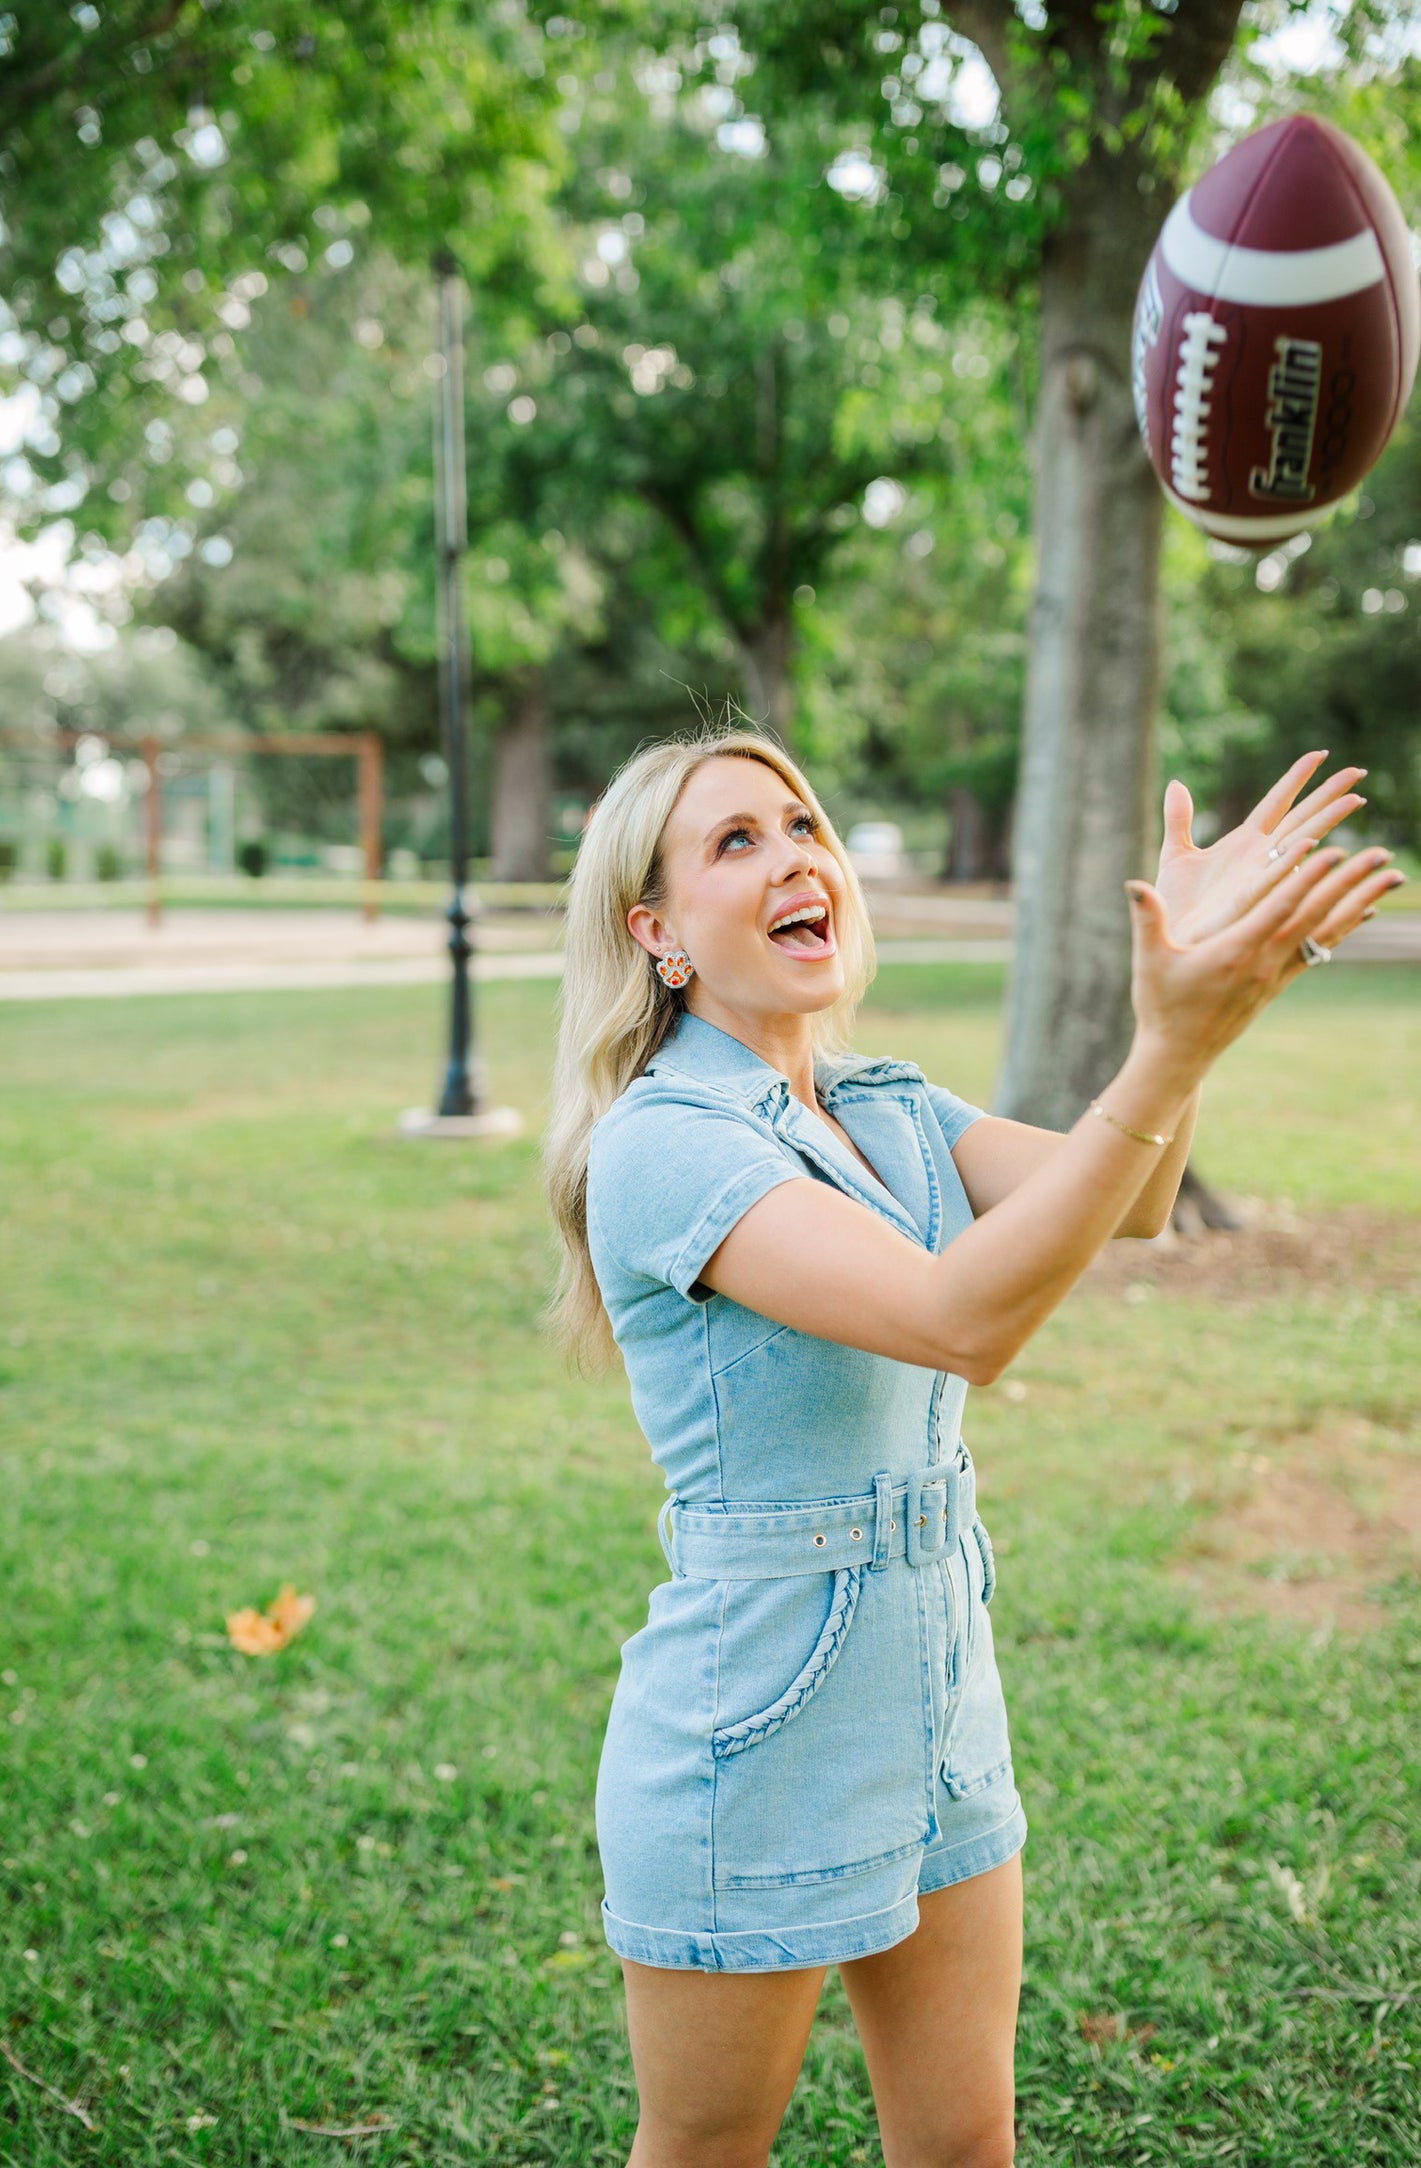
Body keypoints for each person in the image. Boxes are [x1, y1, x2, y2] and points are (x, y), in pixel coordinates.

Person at [543, 727, 1396, 2168]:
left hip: (935, 1679)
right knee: (705, 2149)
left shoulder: (879, 1103)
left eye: (799, 823)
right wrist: (1167, 1042)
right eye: (732, 842)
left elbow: (1120, 1202)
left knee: (964, 2141)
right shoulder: (663, 1144)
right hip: (756, 1710)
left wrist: (1194, 1028)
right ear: (657, 932)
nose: (793, 856)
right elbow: (959, 1321)